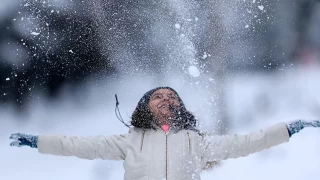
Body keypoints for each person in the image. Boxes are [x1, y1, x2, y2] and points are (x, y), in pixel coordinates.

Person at [9, 87, 320, 180]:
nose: (166, 99)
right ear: (145, 106)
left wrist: (287, 129)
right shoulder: (129, 140)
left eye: (172, 97)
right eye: (158, 96)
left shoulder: (196, 142)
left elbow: (244, 143)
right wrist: (38, 141)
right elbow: (79, 144)